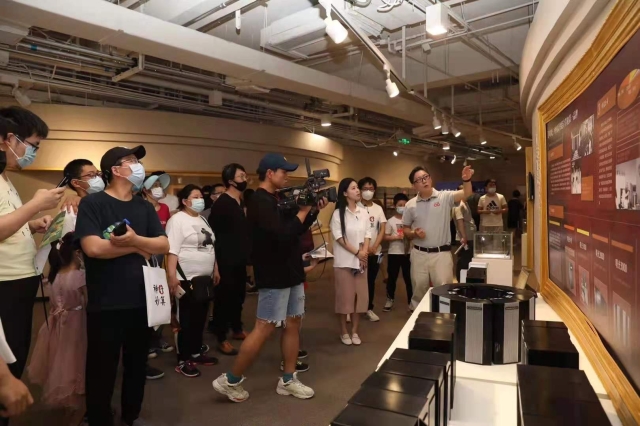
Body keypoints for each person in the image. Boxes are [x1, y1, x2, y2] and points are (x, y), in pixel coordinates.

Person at [213, 153, 327, 402]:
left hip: (291, 270)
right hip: (274, 274)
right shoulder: (259, 201)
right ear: (270, 173)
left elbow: (296, 229)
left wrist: (312, 212)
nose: (287, 176)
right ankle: (230, 380)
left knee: (293, 322)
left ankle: (288, 379)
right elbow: (282, 234)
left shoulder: (277, 198)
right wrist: (303, 210)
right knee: (264, 327)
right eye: (284, 172)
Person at [75, 145, 169, 426]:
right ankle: (99, 419)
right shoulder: (93, 204)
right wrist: (139, 247)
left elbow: (163, 244)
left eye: (138, 160)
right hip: (106, 301)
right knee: (101, 368)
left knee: (136, 365)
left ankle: (131, 416)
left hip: (142, 299)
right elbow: (93, 248)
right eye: (131, 161)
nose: (138, 165)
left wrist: (135, 240)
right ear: (116, 170)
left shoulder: (143, 205)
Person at [0, 109, 64, 414]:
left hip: (19, 282)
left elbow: (8, 222)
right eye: (33, 145)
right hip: (5, 285)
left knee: (16, 358)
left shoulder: (6, 178)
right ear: (9, 139)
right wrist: (36, 205)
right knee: (7, 369)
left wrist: (31, 223)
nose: (34, 153)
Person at [28, 232, 87, 425]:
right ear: (78, 253)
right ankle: (77, 412)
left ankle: (68, 407)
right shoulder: (80, 277)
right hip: (77, 324)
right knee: (77, 361)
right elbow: (88, 303)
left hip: (57, 325)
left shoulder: (54, 276)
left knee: (61, 361)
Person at [166, 184, 220, 378]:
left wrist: (215, 268)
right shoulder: (177, 220)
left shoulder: (202, 219)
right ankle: (183, 359)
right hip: (185, 278)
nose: (200, 200)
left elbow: (210, 246)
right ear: (185, 201)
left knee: (200, 317)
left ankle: (196, 352)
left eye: (200, 196)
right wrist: (172, 276)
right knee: (186, 320)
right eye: (195, 197)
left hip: (204, 278)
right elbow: (172, 250)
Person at [403, 165, 474, 310]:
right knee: (418, 290)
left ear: (430, 178)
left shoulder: (444, 197)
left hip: (441, 254)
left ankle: (444, 320)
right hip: (419, 254)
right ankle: (418, 318)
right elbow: (405, 229)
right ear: (414, 186)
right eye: (419, 180)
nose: (424, 181)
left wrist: (466, 180)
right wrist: (414, 233)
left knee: (444, 292)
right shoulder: (410, 205)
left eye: (426, 177)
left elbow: (466, 193)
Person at [209, 164, 250, 356]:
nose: (245, 179)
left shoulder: (240, 201)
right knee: (223, 299)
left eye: (245, 175)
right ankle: (221, 337)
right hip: (225, 259)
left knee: (238, 296)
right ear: (231, 181)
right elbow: (213, 236)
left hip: (239, 259)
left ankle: (237, 328)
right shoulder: (222, 204)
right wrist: (215, 265)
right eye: (241, 176)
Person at [331, 178, 370, 346]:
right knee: (344, 299)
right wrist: (358, 253)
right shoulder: (338, 214)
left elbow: (367, 234)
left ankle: (355, 331)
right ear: (345, 193)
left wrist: (364, 253)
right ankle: (343, 331)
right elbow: (340, 238)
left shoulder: (363, 212)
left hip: (361, 262)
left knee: (359, 298)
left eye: (357, 188)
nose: (358, 191)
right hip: (344, 262)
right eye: (353, 188)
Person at [357, 177, 386, 322]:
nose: (368, 191)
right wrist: (364, 248)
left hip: (375, 252)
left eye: (371, 189)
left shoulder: (378, 208)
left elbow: (382, 229)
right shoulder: (355, 207)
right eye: (365, 188)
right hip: (358, 252)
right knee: (356, 281)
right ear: (360, 190)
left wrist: (375, 246)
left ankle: (368, 308)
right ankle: (353, 309)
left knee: (370, 281)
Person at [383, 193, 412, 312]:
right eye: (400, 205)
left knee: (409, 278)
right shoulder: (390, 221)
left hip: (408, 253)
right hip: (394, 253)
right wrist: (396, 237)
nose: (402, 207)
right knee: (392, 278)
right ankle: (390, 299)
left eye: (405, 205)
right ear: (395, 206)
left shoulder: (410, 221)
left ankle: (411, 301)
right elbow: (385, 236)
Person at [453, 184, 477, 282]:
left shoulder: (465, 203)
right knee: (463, 261)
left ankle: (467, 280)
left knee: (468, 260)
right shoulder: (458, 205)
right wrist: (464, 237)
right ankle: (461, 281)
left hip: (470, 236)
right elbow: (460, 222)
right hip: (464, 238)